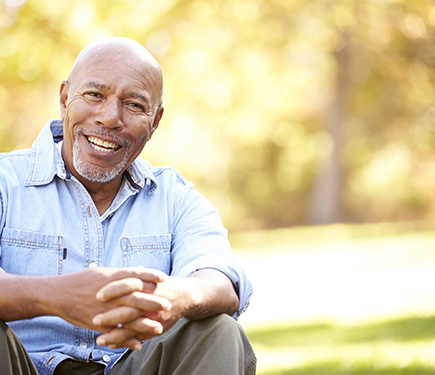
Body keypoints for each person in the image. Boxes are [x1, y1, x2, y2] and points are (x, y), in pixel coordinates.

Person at [0, 37, 255, 375]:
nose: (110, 118)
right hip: (22, 365)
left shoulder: (174, 197)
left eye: (134, 104)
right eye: (95, 95)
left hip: (131, 365)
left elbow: (222, 280)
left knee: (219, 330)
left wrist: (175, 297)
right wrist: (55, 296)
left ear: (155, 121)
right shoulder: (6, 181)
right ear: (65, 99)